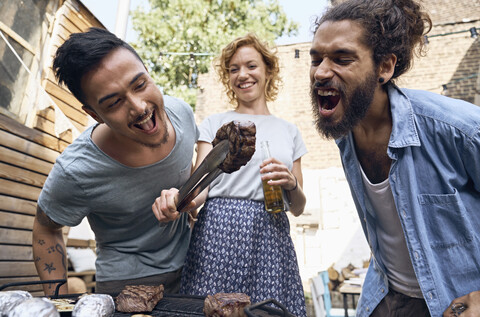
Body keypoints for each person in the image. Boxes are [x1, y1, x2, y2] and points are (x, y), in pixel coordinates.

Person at [309, 0, 480, 316]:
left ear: (384, 67)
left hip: (454, 304)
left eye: (342, 59)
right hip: (388, 300)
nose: (320, 72)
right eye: (316, 58)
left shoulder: (457, 129)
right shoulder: (345, 133)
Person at [32, 27, 199, 295]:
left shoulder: (182, 114)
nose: (139, 107)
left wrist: (189, 202)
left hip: (195, 267)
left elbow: (190, 174)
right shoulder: (75, 170)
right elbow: (45, 228)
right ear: (94, 114)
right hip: (126, 287)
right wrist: (58, 302)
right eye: (113, 103)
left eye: (140, 85)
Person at [153, 33, 307, 316]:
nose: (243, 75)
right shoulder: (214, 124)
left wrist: (292, 183)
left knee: (266, 310)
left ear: (268, 70)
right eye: (233, 69)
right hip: (217, 232)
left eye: (251, 66)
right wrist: (180, 199)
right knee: (212, 309)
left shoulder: (289, 131)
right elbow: (200, 187)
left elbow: (298, 207)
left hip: (270, 233)